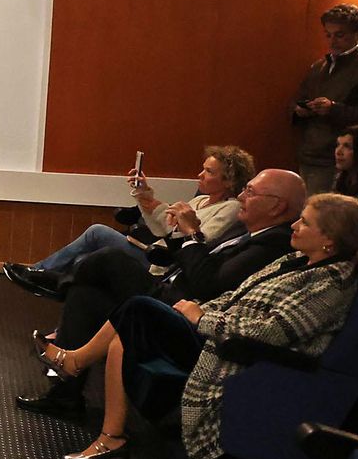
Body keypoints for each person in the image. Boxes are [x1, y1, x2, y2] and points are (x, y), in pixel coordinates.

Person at [38, 193, 358, 459]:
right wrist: (199, 309)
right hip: (217, 332)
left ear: (329, 238)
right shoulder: (294, 261)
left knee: (137, 307)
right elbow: (234, 297)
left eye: (305, 222)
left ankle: (76, 361)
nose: (295, 225)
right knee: (123, 328)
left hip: (236, 353)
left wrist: (200, 319)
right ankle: (111, 437)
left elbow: (273, 332)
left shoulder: (330, 283)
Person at [15, 169, 303, 418]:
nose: (242, 196)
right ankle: (65, 397)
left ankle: (55, 283)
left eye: (250, 192)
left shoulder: (272, 243)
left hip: (188, 311)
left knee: (108, 258)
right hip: (175, 285)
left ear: (276, 206)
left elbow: (207, 283)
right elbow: (198, 259)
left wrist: (191, 234)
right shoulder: (249, 233)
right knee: (87, 294)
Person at [3, 146, 252, 297]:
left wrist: (178, 223)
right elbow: (161, 228)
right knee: (83, 260)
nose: (200, 175)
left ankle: (42, 272)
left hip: (166, 265)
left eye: (209, 171)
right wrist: (144, 195)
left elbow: (199, 241)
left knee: (97, 233)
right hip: (158, 254)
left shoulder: (231, 209)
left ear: (229, 180)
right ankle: (50, 287)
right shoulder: (200, 202)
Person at [294, 4, 358, 194]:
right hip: (310, 153)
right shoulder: (320, 65)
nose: (332, 41)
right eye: (328, 35)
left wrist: (333, 109)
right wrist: (301, 109)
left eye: (339, 35)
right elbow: (300, 98)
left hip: (341, 159)